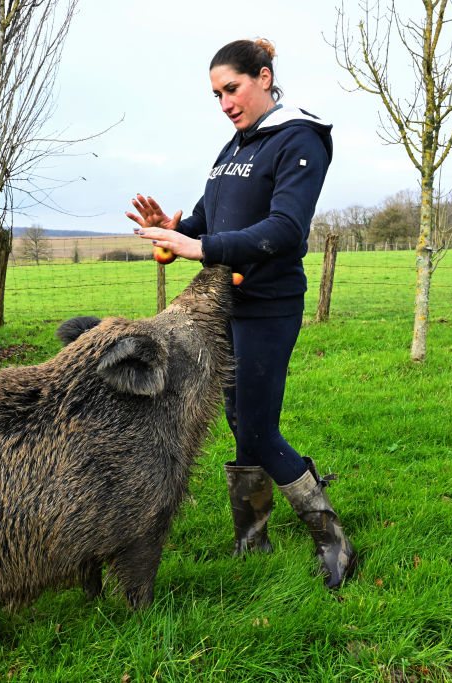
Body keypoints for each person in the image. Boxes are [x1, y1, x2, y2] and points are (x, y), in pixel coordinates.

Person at [127, 38, 359, 589]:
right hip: (224, 307)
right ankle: (251, 539)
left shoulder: (299, 139)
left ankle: (336, 543)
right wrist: (175, 229)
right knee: (239, 422)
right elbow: (209, 220)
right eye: (217, 95)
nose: (226, 102)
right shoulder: (233, 149)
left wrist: (199, 249)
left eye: (232, 89)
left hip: (268, 306)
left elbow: (284, 231)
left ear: (264, 76)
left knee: (257, 428)